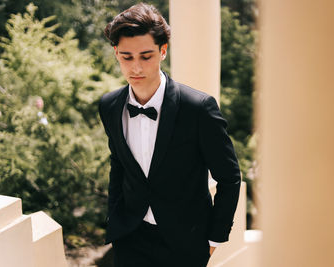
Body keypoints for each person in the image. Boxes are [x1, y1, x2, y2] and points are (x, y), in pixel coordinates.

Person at [99, 3, 241, 267]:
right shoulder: (109, 106)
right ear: (116, 53)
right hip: (130, 238)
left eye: (146, 56)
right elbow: (118, 166)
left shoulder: (198, 108)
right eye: (127, 57)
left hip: (187, 243)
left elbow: (229, 177)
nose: (136, 67)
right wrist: (115, 221)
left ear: (163, 51)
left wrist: (213, 240)